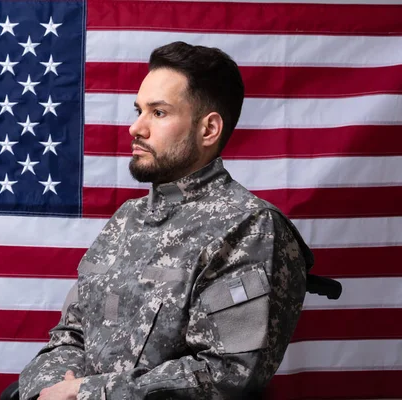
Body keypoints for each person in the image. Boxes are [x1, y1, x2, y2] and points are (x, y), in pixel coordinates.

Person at [18, 41, 313, 400]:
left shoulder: (248, 226)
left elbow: (225, 374)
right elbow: (70, 335)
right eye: (138, 110)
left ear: (209, 130)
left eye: (158, 113)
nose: (135, 128)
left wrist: (88, 394)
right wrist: (45, 392)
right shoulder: (127, 219)